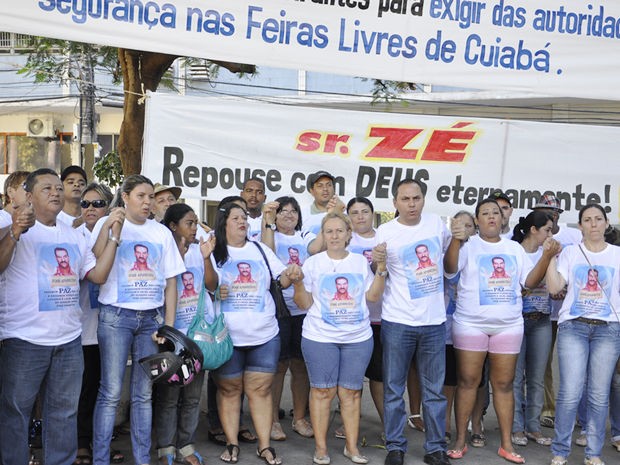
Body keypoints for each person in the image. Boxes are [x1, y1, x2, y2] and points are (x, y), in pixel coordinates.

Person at [0, 168, 119, 465]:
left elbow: (98, 275)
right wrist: (15, 232)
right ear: (28, 196)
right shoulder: (8, 225)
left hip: (68, 341)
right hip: (23, 339)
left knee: (64, 413)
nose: (56, 192)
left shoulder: (74, 235)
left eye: (58, 187)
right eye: (46, 188)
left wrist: (114, 238)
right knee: (16, 413)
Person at [444, 198, 559, 464]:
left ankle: (506, 444)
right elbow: (450, 270)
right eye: (485, 213)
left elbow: (529, 282)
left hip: (508, 324)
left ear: (503, 218)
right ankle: (461, 440)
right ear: (477, 220)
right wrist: (455, 240)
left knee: (505, 384)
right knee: (468, 382)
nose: (492, 216)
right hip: (470, 323)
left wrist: (546, 256)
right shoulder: (467, 245)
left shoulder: (514, 249)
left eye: (496, 212)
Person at [91, 174, 186, 465]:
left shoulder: (160, 233)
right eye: (141, 196)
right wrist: (111, 227)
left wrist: (167, 327)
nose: (147, 203)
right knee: (110, 392)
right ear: (125, 197)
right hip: (116, 317)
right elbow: (95, 261)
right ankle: (100, 458)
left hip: (151, 320)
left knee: (143, 394)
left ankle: (142, 459)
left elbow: (171, 282)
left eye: (150, 197)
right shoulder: (108, 223)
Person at [205, 202, 297, 465]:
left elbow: (281, 280)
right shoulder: (213, 251)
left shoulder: (260, 249)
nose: (242, 222)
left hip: (264, 334)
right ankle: (232, 443)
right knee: (230, 390)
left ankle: (264, 445)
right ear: (224, 224)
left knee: (260, 390)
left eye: (244, 218)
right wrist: (211, 280)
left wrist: (292, 274)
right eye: (235, 218)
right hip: (227, 336)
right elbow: (207, 285)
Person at [292, 211, 387, 465]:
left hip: (357, 337)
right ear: (323, 235)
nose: (334, 236)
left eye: (339, 231)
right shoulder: (312, 263)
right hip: (320, 337)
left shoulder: (358, 262)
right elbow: (303, 303)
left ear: (348, 235)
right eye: (329, 231)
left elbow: (373, 297)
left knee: (351, 393)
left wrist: (381, 270)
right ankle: (321, 448)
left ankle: (352, 447)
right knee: (322, 392)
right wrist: (299, 284)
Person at [375, 178, 451, 465]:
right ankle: (395, 446)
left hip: (433, 322)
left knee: (434, 391)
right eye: (405, 199)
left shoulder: (436, 225)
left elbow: (449, 262)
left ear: (423, 199)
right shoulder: (385, 231)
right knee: (394, 389)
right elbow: (378, 270)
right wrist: (377, 262)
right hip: (397, 320)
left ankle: (435, 448)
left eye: (416, 198)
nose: (411, 204)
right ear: (395, 202)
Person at [545, 203, 620, 465]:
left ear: (606, 223)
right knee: (570, 392)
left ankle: (594, 454)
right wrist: (549, 259)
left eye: (598, 219)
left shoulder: (617, 255)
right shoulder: (570, 253)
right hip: (573, 327)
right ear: (580, 226)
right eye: (587, 220)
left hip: (608, 329)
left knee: (599, 395)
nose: (593, 224)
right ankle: (560, 451)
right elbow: (555, 288)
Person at [154, 203, 218, 465]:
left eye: (195, 223)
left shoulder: (200, 250)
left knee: (192, 397)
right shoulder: (162, 250)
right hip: (171, 337)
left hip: (198, 337)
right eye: (189, 223)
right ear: (173, 226)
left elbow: (212, 285)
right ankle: (166, 447)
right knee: (170, 398)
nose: (194, 228)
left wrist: (205, 257)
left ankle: (186, 446)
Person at [73, 182, 123, 465]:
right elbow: (91, 263)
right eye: (85, 204)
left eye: (97, 204)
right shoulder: (74, 236)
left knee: (108, 390)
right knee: (85, 390)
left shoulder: (121, 233)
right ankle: (81, 444)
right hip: (81, 328)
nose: (90, 209)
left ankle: (100, 442)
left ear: (109, 207)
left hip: (111, 327)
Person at [260, 196, 315, 442]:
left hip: (304, 311)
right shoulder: (268, 235)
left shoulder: (304, 237)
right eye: (284, 211)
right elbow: (269, 253)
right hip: (279, 310)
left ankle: (299, 417)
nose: (289, 215)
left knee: (300, 367)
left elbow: (317, 249)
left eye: (294, 211)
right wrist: (268, 222)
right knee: (279, 367)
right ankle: (272, 421)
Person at [532, 193, 582, 430]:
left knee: (575, 365)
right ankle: (547, 408)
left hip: (573, 311)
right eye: (543, 211)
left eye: (552, 212)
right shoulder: (535, 234)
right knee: (543, 363)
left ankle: (577, 413)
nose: (549, 215)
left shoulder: (573, 236)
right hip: (543, 311)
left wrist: (567, 286)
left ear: (560, 214)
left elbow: (584, 266)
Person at [510, 211, 555, 448]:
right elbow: (520, 284)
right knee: (516, 378)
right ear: (533, 230)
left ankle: (534, 427)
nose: (551, 235)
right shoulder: (513, 250)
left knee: (536, 379)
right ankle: (516, 427)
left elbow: (556, 283)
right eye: (547, 229)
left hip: (542, 321)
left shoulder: (549, 254)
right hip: (517, 320)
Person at [346, 197, 385, 438]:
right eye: (354, 212)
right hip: (353, 320)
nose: (360, 216)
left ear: (373, 214)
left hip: (383, 317)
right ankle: (350, 422)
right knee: (352, 378)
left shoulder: (384, 238)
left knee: (380, 376)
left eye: (364, 211)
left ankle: (386, 424)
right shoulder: (345, 240)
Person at [442, 211, 476, 444]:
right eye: (458, 224)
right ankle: (444, 425)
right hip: (445, 327)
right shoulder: (446, 251)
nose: (463, 228)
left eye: (468, 225)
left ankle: (475, 424)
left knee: (473, 380)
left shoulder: (478, 251)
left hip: (472, 327)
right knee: (448, 379)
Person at [302, 170, 344, 237]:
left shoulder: (344, 212)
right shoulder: (302, 214)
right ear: (311, 191)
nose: (325, 189)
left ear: (334, 189)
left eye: (329, 185)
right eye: (320, 186)